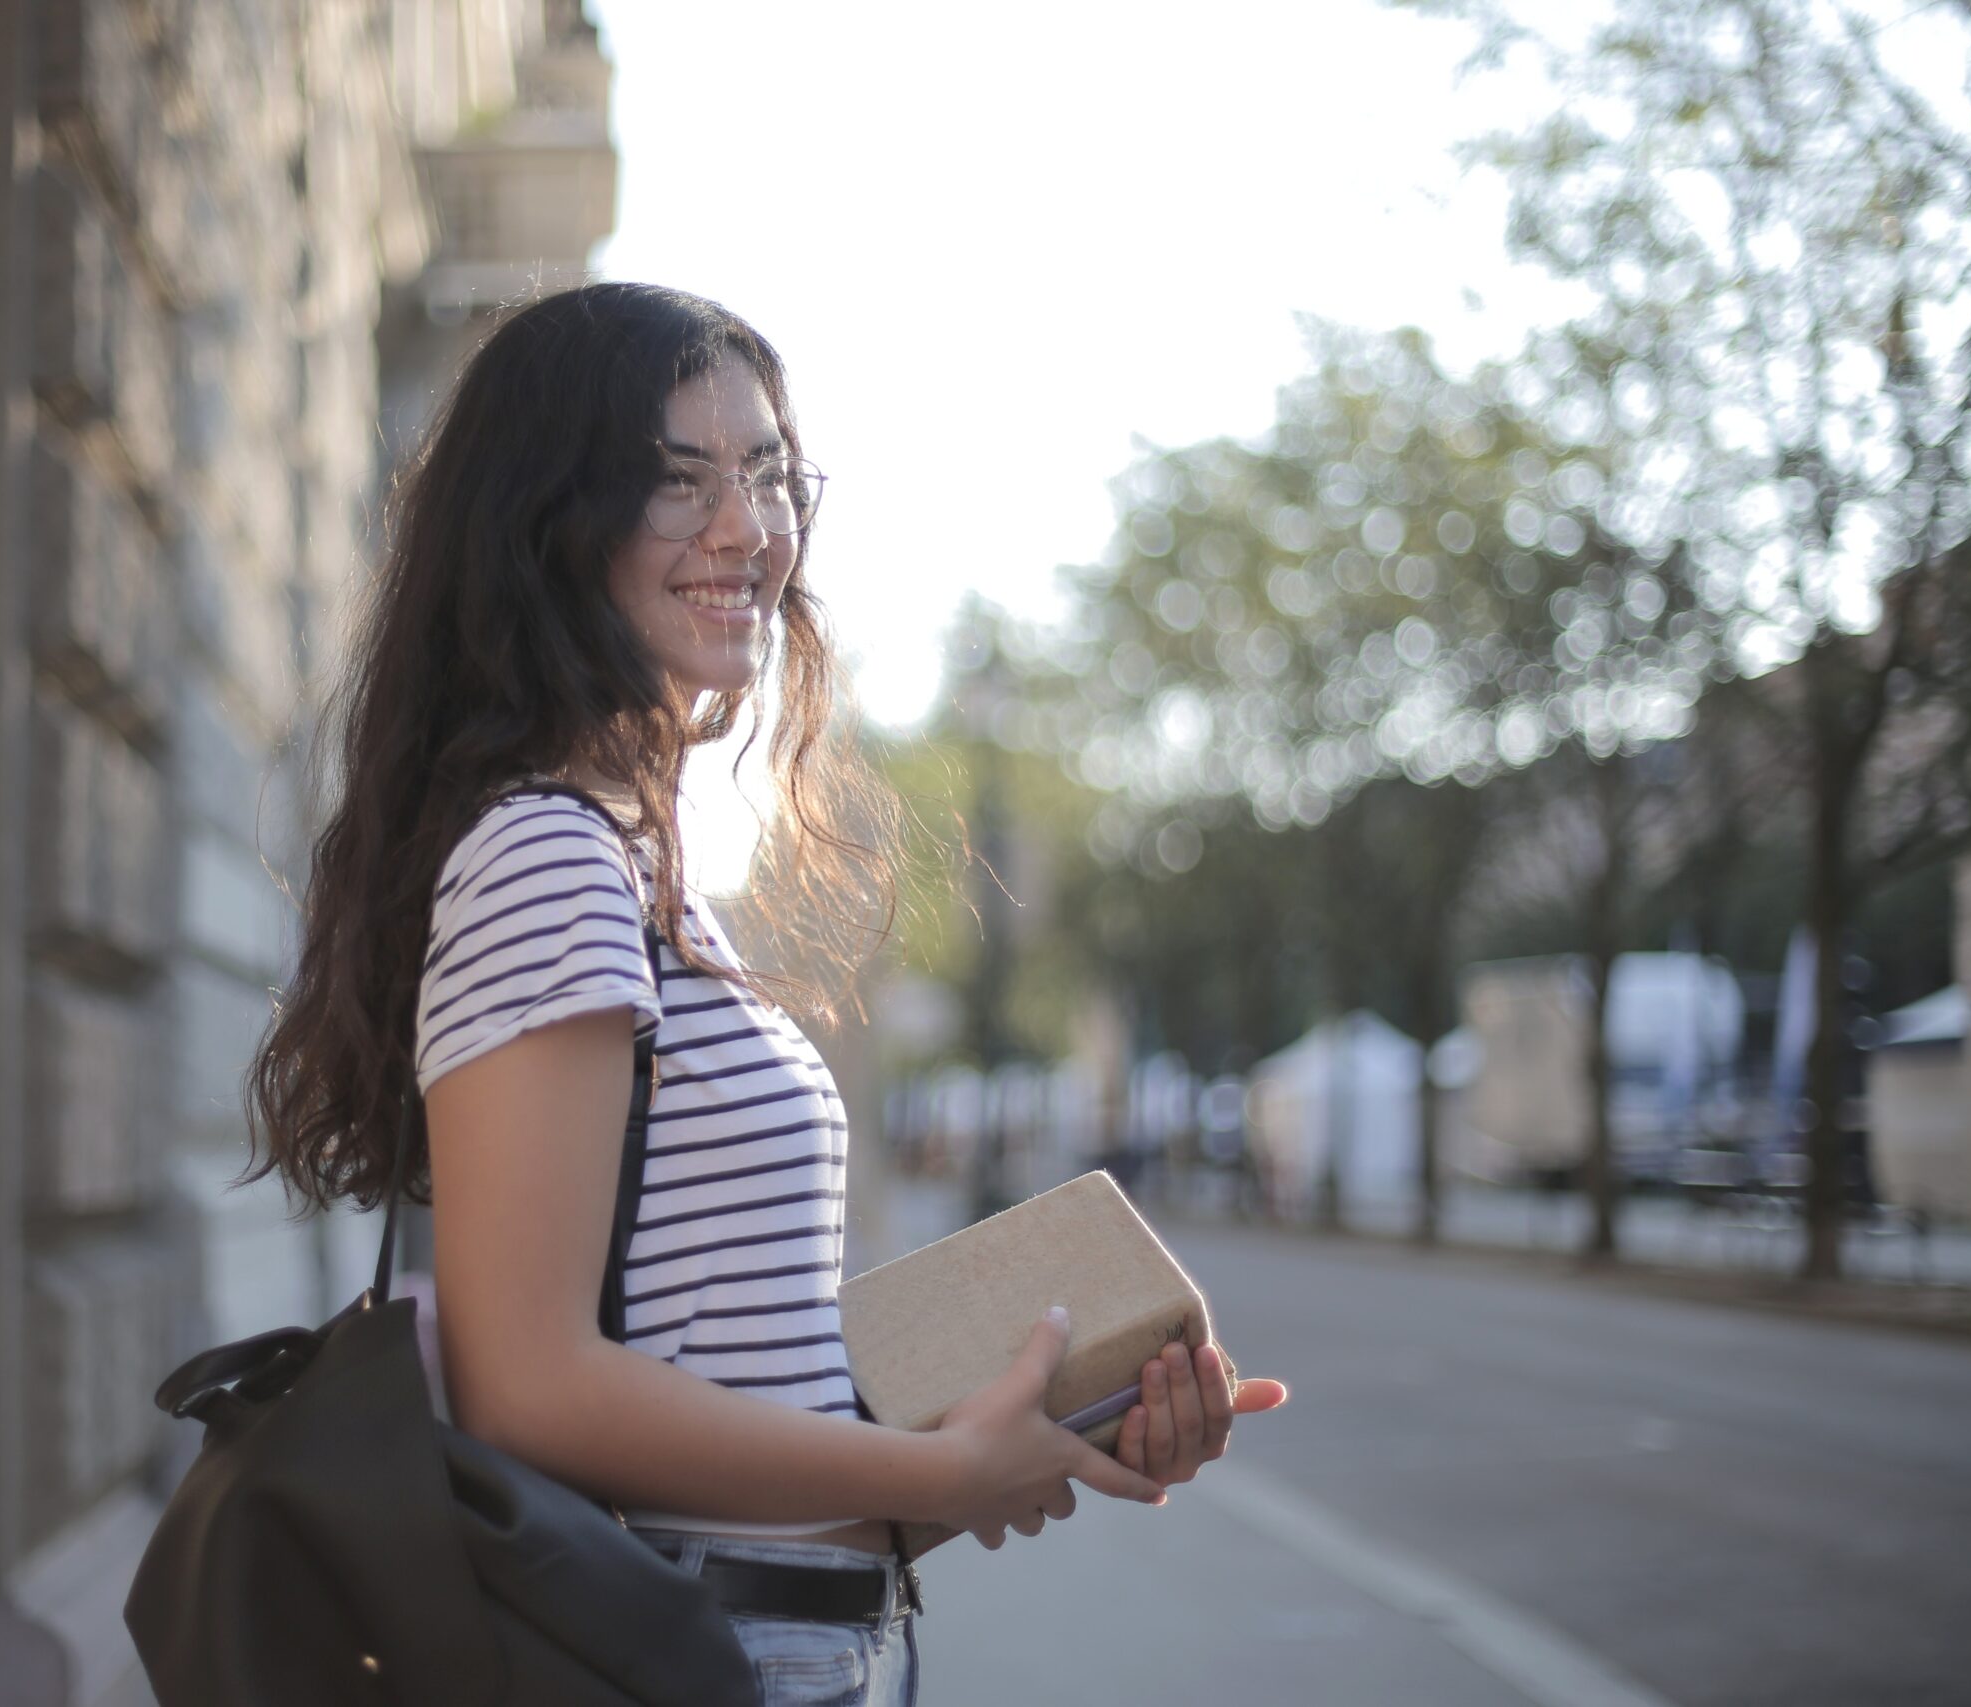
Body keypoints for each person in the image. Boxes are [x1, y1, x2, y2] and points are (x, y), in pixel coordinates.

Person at [245, 282, 1287, 1706]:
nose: (747, 527)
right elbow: (529, 1383)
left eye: (768, 473)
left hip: (796, 1637)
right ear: (549, 524)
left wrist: (1051, 1423)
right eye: (677, 483)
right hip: (696, 1653)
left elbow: (722, 1366)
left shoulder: (642, 872)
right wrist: (933, 1469)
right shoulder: (551, 854)